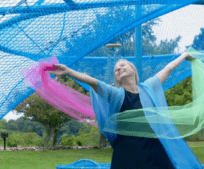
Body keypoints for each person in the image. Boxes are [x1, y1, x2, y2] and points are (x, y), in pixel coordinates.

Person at [48, 52, 196, 169]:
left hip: (154, 151)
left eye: (123, 64)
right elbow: (92, 81)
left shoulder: (149, 88)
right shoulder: (115, 94)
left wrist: (184, 55)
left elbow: (168, 68)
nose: (119, 67)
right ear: (117, 80)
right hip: (126, 154)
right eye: (116, 69)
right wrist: (68, 71)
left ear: (133, 70)